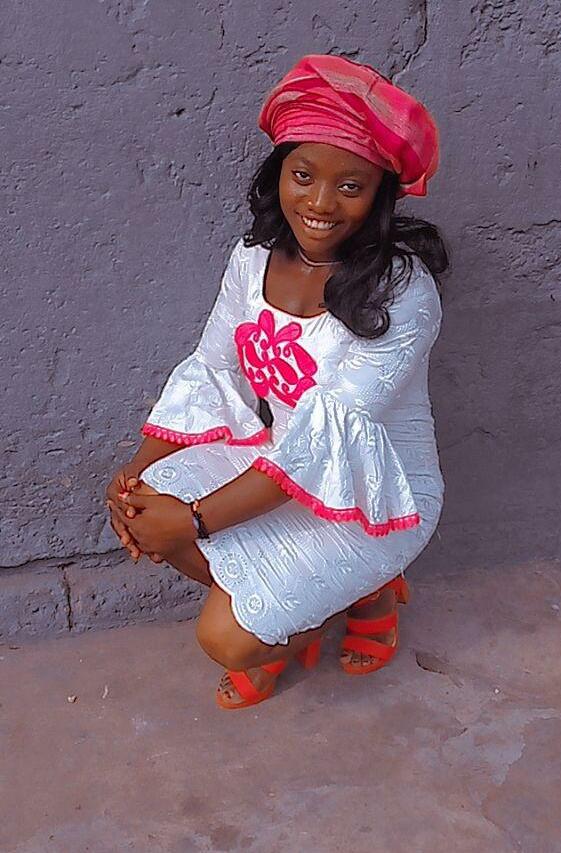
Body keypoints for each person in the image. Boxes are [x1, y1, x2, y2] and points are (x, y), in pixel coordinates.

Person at [105, 54, 449, 710]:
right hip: (276, 456)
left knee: (224, 637)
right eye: (303, 175)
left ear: (381, 194)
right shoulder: (253, 259)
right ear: (279, 173)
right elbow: (212, 369)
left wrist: (195, 520)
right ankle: (290, 611)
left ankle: (351, 599)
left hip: (375, 494)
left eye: (351, 186)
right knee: (145, 503)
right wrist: (134, 474)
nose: (320, 203)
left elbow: (325, 442)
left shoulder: (403, 293)